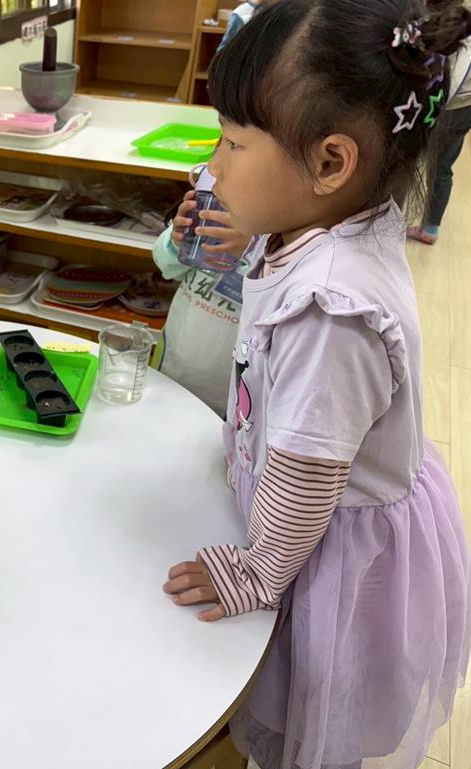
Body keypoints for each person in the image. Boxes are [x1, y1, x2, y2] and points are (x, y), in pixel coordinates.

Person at [161, 3, 471, 769]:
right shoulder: (324, 222)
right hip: (312, 510)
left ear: (331, 164)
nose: (214, 165)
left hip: (325, 545)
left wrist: (257, 571)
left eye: (233, 142)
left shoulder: (330, 311)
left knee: (309, 717)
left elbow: (305, 478)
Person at [151, 182, 254, 414]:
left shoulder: (288, 238)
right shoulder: (216, 205)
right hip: (173, 366)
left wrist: (253, 250)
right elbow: (166, 266)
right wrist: (177, 242)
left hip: (233, 392)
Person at [407, 42, 471, 243]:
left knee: (407, 153)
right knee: (442, 166)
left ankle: (389, 216)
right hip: (465, 105)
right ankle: (430, 227)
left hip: (448, 102)